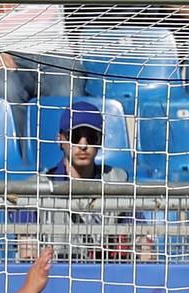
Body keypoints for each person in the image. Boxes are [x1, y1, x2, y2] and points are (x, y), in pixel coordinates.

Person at [31, 101, 153, 262]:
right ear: (60, 139)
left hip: (106, 273)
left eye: (91, 137)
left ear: (100, 141)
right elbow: (26, 254)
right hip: (54, 273)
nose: (83, 145)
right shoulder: (35, 189)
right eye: (75, 136)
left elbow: (145, 247)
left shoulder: (118, 183)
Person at [0, 4, 84, 134]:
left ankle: (57, 149)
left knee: (67, 89)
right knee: (4, 88)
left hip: (55, 49)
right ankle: (17, 149)